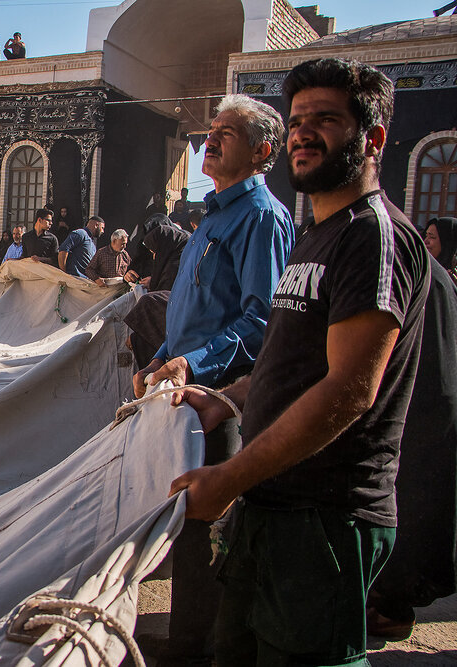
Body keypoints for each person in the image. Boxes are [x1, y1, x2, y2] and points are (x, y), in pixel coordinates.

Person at [170, 57, 430, 667]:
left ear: (373, 139)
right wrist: (227, 399)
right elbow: (290, 361)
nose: (304, 133)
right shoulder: (317, 232)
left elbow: (348, 390)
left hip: (327, 517)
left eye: (327, 120)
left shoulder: (374, 237)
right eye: (298, 120)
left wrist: (230, 477)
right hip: (273, 502)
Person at [133, 93, 294, 667]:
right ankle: (185, 638)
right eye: (212, 130)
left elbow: (261, 320)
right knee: (187, 519)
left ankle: (195, 651)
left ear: (263, 151)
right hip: (184, 388)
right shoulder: (213, 214)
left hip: (222, 401)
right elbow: (192, 308)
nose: (211, 139)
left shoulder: (261, 218)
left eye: (227, 132)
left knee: (210, 525)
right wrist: (160, 359)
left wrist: (194, 366)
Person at [367, 245, 457, 641]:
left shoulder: (401, 265)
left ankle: (391, 606)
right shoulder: (430, 271)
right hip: (427, 399)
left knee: (409, 506)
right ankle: (391, 602)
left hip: (418, 405)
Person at [143, 224, 190, 292]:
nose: (154, 257)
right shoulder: (182, 254)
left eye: (155, 253)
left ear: (162, 249)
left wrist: (153, 284)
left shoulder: (173, 268)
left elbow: (163, 294)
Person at [423, 216, 457, 285]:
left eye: (432, 237)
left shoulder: (453, 277)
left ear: (447, 243)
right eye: (426, 236)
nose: (425, 241)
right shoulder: (421, 270)